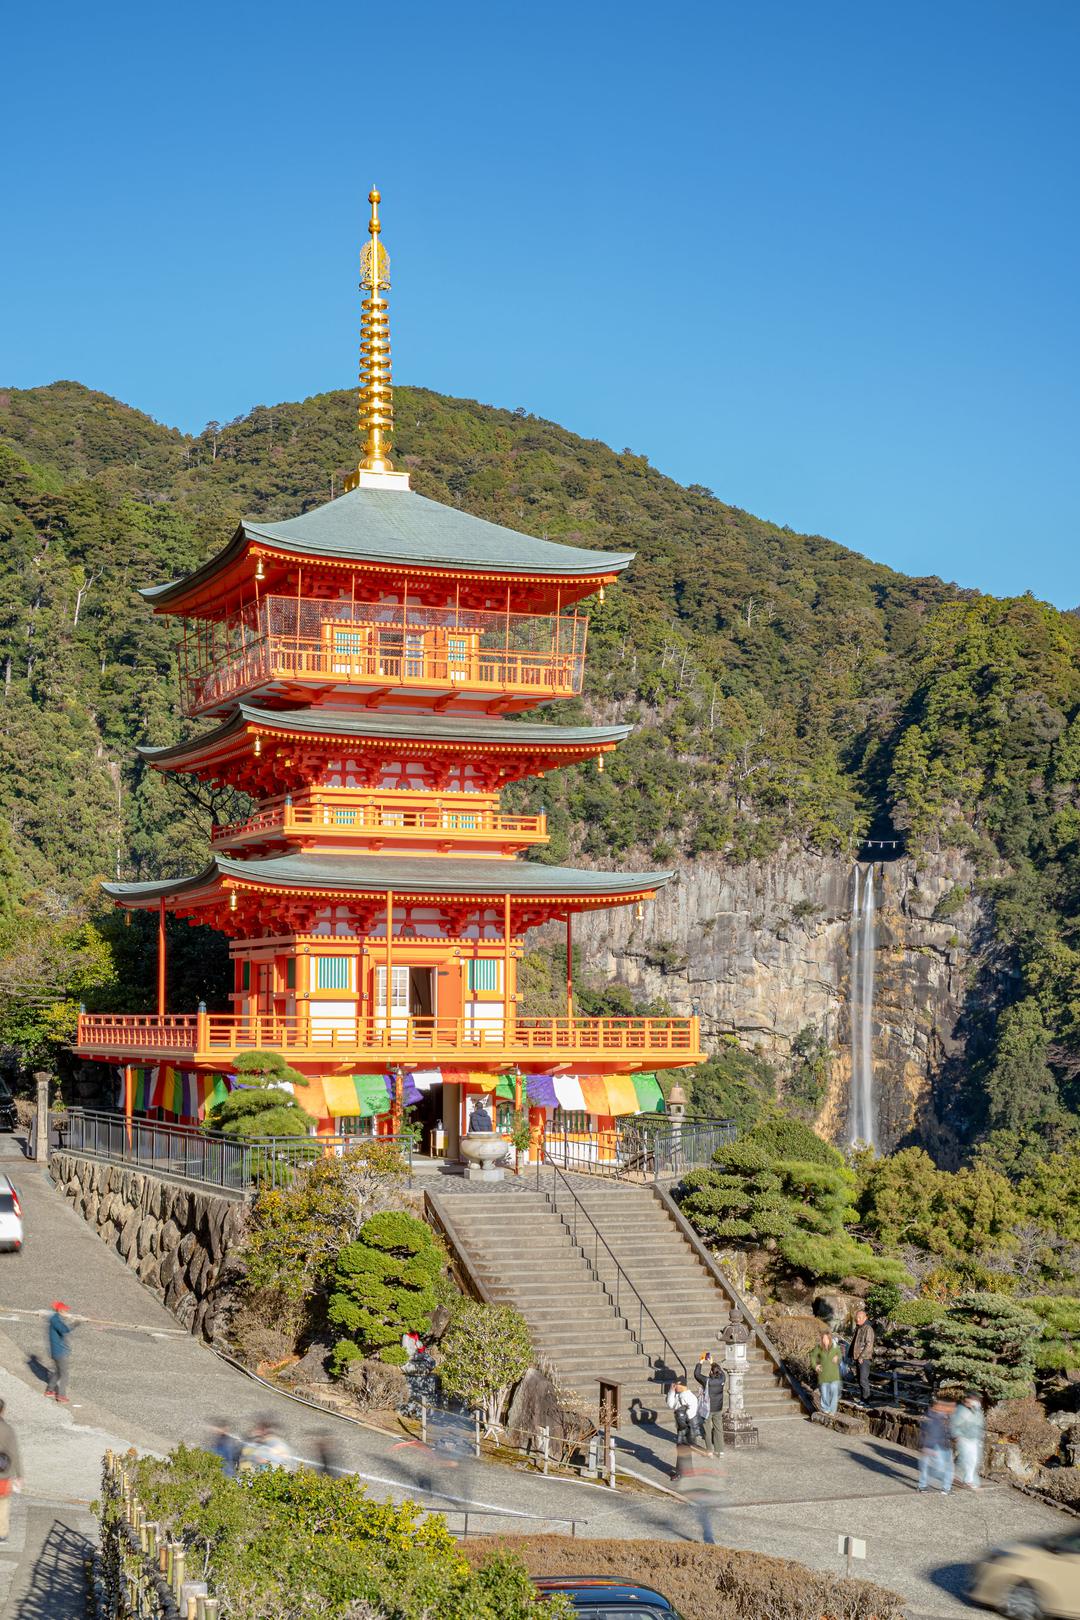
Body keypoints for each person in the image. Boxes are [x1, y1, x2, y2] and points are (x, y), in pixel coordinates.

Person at [918, 1396, 955, 1493]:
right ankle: (923, 1485)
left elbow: (947, 1430)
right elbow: (928, 1432)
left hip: (944, 1444)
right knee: (932, 1467)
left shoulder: (945, 1416)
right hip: (933, 1445)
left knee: (948, 1467)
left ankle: (946, 1488)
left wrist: (953, 1436)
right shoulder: (931, 1417)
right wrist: (928, 1446)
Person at [693, 1352, 726, 1455]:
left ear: (711, 1372)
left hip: (707, 1409)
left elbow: (697, 1374)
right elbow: (721, 1372)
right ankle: (720, 1451)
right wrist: (712, 1363)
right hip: (718, 1408)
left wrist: (701, 1362)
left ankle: (709, 1451)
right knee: (718, 1429)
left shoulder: (707, 1381)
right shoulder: (722, 1378)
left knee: (707, 1429)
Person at [951, 1391, 985, 1489]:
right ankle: (968, 1480)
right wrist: (956, 1435)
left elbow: (979, 1423)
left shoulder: (976, 1410)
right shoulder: (961, 1410)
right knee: (967, 1459)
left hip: (974, 1438)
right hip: (963, 1437)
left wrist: (979, 1436)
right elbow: (954, 1424)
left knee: (973, 1460)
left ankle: (960, 1476)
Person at [0, 1400, 22, 1544]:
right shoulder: (7, 1429)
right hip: (3, 1473)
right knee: (2, 1504)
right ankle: (2, 1534)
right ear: (3, 1411)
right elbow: (14, 1454)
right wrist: (19, 1474)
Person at [45, 1301, 73, 1403]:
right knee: (64, 1374)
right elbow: (64, 1330)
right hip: (59, 1352)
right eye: (65, 1310)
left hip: (55, 1351)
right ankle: (61, 1396)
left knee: (58, 1372)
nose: (67, 1312)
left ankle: (50, 1390)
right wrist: (74, 1323)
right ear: (61, 1311)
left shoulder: (55, 1318)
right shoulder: (56, 1320)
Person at [810, 1330, 842, 1415]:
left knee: (833, 1393)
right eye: (823, 1338)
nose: (824, 1340)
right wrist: (815, 1366)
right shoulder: (818, 1347)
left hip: (834, 1375)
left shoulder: (835, 1347)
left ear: (829, 1339)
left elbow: (840, 1356)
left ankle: (832, 1411)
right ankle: (825, 1409)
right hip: (823, 1374)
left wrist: (837, 1358)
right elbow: (812, 1357)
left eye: (826, 1338)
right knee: (824, 1393)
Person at [850, 1308, 875, 1405]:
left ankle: (866, 1401)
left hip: (864, 1358)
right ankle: (863, 1399)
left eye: (860, 1317)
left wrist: (862, 1356)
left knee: (863, 1380)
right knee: (860, 1380)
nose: (857, 1319)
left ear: (865, 1318)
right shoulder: (860, 1328)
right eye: (857, 1317)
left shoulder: (868, 1328)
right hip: (858, 1357)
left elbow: (869, 1344)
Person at [665, 1379, 699, 1447]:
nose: (675, 1387)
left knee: (687, 1444)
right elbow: (670, 1405)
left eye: (676, 1385)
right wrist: (671, 1391)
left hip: (688, 1425)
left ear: (681, 1385)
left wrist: (683, 1418)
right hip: (681, 1424)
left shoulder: (690, 1396)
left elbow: (693, 1410)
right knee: (681, 1444)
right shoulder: (678, 1395)